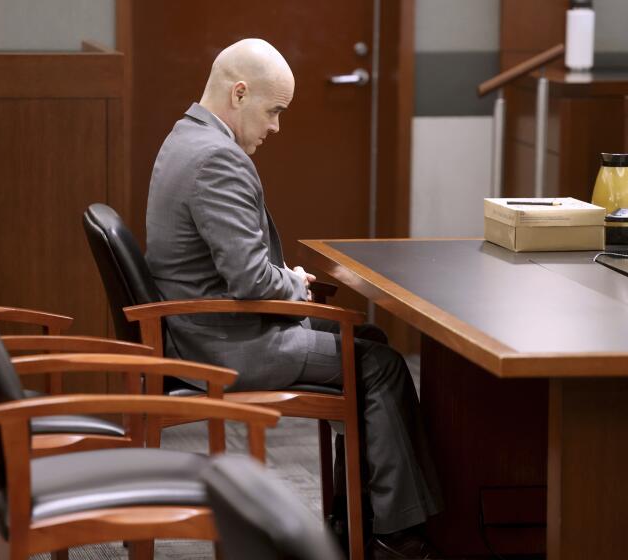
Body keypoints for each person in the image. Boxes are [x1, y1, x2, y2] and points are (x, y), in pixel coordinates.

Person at [145, 38, 442, 559]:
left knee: (366, 341)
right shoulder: (219, 158)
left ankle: (356, 517)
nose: (276, 127)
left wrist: (283, 278)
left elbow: (230, 264)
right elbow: (250, 282)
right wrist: (294, 283)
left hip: (199, 329)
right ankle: (398, 539)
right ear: (239, 93)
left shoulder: (183, 136)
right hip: (227, 346)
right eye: (273, 111)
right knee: (381, 366)